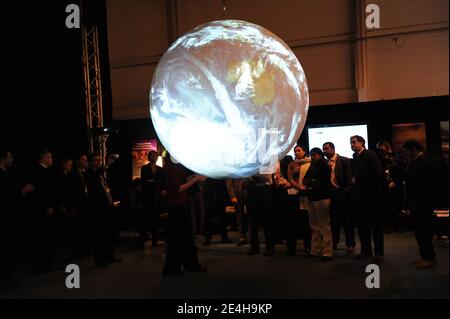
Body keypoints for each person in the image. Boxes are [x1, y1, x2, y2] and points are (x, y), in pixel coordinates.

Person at [162, 155, 207, 277]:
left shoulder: (175, 164)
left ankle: (190, 264)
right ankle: (172, 269)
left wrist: (195, 177)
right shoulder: (173, 166)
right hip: (177, 206)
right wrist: (195, 179)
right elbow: (178, 189)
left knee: (186, 238)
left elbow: (181, 183)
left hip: (180, 204)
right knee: (178, 239)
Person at [0, 150, 33, 288]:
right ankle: (5, 278)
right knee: (6, 248)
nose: (12, 160)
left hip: (7, 216)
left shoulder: (4, 173)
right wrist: (23, 191)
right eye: (10, 157)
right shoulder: (1, 174)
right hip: (5, 217)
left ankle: (7, 277)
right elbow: (5, 197)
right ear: (3, 158)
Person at [402, 140, 436, 269]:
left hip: (423, 203)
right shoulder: (414, 162)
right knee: (419, 231)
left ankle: (429, 258)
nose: (405, 153)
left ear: (414, 149)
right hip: (417, 202)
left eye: (406, 150)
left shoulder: (423, 163)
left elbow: (419, 182)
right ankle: (425, 256)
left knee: (424, 231)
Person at [350, 135, 384, 263]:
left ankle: (379, 252)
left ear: (362, 143)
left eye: (354, 142)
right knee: (362, 225)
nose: (352, 144)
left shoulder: (370, 155)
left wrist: (376, 196)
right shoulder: (355, 157)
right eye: (350, 143)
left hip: (371, 197)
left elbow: (377, 175)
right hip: (359, 197)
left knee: (376, 226)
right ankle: (366, 250)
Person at [85, 153, 121, 267]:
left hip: (107, 206)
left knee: (109, 232)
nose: (98, 161)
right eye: (96, 160)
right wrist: (107, 164)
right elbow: (95, 180)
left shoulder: (100, 174)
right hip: (98, 209)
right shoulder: (89, 173)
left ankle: (109, 256)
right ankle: (100, 260)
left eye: (100, 160)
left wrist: (111, 201)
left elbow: (105, 189)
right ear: (90, 162)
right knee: (100, 235)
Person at [26, 149, 57, 272]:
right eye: (49, 157)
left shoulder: (43, 171)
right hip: (43, 209)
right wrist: (48, 205)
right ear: (43, 158)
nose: (52, 159)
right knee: (45, 236)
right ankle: (45, 264)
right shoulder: (41, 171)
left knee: (45, 236)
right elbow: (44, 191)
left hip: (42, 208)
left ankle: (45, 263)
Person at [322, 142, 355, 253]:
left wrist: (346, 191)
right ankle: (334, 243)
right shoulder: (325, 163)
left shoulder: (344, 160)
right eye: (323, 149)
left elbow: (350, 178)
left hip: (343, 194)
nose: (324, 151)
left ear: (332, 149)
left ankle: (350, 244)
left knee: (347, 221)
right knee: (333, 222)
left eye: (326, 149)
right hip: (331, 195)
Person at [303, 148, 333, 261]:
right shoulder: (313, 165)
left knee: (324, 226)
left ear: (320, 155)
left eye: (314, 155)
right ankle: (315, 250)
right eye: (311, 155)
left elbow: (322, 181)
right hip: (313, 197)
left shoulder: (324, 166)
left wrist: (311, 182)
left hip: (321, 197)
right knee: (314, 226)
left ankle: (327, 252)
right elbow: (305, 180)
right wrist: (312, 181)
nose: (312, 157)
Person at [286, 145, 312, 255]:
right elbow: (290, 178)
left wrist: (305, 187)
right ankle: (292, 248)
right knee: (292, 222)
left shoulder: (309, 162)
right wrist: (298, 187)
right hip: (293, 194)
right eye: (295, 151)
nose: (296, 152)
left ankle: (308, 247)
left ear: (304, 151)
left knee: (306, 223)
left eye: (299, 150)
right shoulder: (292, 164)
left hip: (306, 195)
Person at [376, 140, 404, 233]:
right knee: (386, 206)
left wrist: (395, 181)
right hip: (384, 185)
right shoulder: (379, 159)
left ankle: (397, 225)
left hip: (396, 185)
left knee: (396, 205)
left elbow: (401, 171)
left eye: (382, 149)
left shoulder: (396, 158)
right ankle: (387, 225)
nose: (380, 152)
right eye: (379, 150)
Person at [140, 151, 166, 247]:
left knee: (156, 219)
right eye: (152, 156)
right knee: (147, 218)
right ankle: (144, 238)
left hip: (158, 196)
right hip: (147, 196)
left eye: (155, 156)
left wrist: (161, 188)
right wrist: (153, 182)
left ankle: (155, 240)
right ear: (148, 157)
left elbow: (163, 182)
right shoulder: (144, 168)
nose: (154, 157)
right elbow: (144, 182)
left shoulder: (160, 169)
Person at [203, 178, 231, 246]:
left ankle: (223, 237)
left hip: (218, 188)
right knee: (209, 216)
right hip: (211, 188)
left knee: (222, 216)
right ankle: (208, 238)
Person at [226, 179, 248, 246]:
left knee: (250, 217)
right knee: (240, 217)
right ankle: (242, 237)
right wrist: (232, 195)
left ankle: (252, 237)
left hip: (248, 193)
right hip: (238, 195)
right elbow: (229, 182)